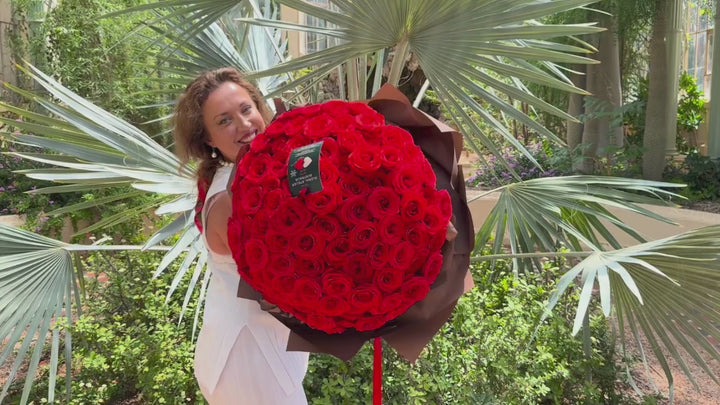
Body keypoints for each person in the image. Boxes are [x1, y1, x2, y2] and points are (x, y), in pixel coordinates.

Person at [173, 67, 309, 404]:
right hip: (249, 360)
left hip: (258, 348)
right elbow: (300, 266)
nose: (245, 125)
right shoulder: (230, 201)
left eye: (246, 109)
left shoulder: (249, 172)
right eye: (224, 121)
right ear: (207, 138)